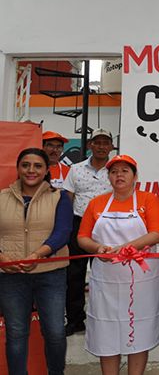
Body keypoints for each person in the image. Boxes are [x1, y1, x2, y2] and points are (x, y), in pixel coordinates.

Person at [76, 154, 159, 375]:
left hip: (141, 280)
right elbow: (83, 237)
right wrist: (99, 249)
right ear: (109, 177)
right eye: (114, 171)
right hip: (106, 280)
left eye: (125, 171)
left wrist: (128, 247)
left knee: (140, 329)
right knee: (106, 330)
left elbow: (156, 233)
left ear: (135, 176)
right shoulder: (96, 203)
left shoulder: (148, 200)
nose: (119, 175)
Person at [0, 148, 73, 375]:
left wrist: (38, 255)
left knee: (54, 332)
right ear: (18, 168)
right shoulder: (1, 197)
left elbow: (63, 232)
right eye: (26, 165)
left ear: (46, 170)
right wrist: (2, 259)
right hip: (10, 276)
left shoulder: (59, 197)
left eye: (38, 166)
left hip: (50, 273)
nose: (31, 170)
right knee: (16, 333)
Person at [62, 128, 114, 336]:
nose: (101, 146)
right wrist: (67, 229)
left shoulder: (117, 169)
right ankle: (75, 320)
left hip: (107, 226)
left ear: (111, 146)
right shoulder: (75, 169)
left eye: (105, 142)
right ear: (90, 145)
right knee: (74, 274)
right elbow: (68, 198)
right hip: (79, 223)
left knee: (106, 275)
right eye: (97, 142)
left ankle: (105, 319)